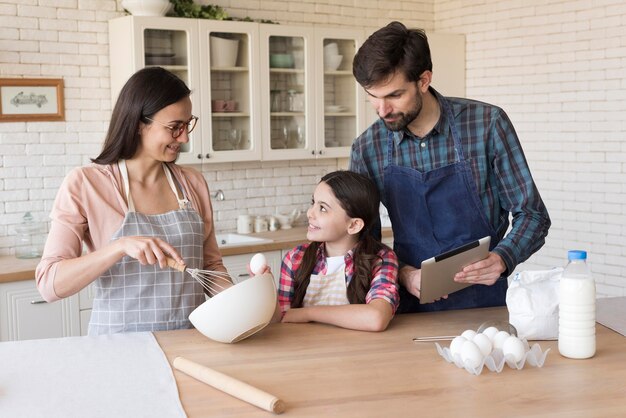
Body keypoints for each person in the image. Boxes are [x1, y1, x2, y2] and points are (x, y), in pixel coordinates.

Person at [349, 21, 551, 313]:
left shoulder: (487, 125)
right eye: (372, 96)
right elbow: (363, 242)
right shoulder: (367, 148)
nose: (382, 110)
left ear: (423, 80)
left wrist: (503, 258)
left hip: (486, 303)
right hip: (408, 308)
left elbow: (533, 215)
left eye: (394, 95)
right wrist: (404, 274)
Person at [36, 67, 229, 334]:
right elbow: (49, 284)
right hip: (118, 350)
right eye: (175, 127)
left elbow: (210, 267)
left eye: (188, 125)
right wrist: (119, 247)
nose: (184, 138)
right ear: (139, 123)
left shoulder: (192, 183)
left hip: (189, 343)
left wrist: (246, 301)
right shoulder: (86, 184)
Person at [273, 170, 399, 331]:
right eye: (313, 203)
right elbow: (282, 319)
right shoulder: (296, 258)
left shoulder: (381, 259)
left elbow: (376, 318)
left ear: (353, 225)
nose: (310, 213)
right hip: (304, 352)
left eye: (323, 208)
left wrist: (307, 313)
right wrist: (264, 288)